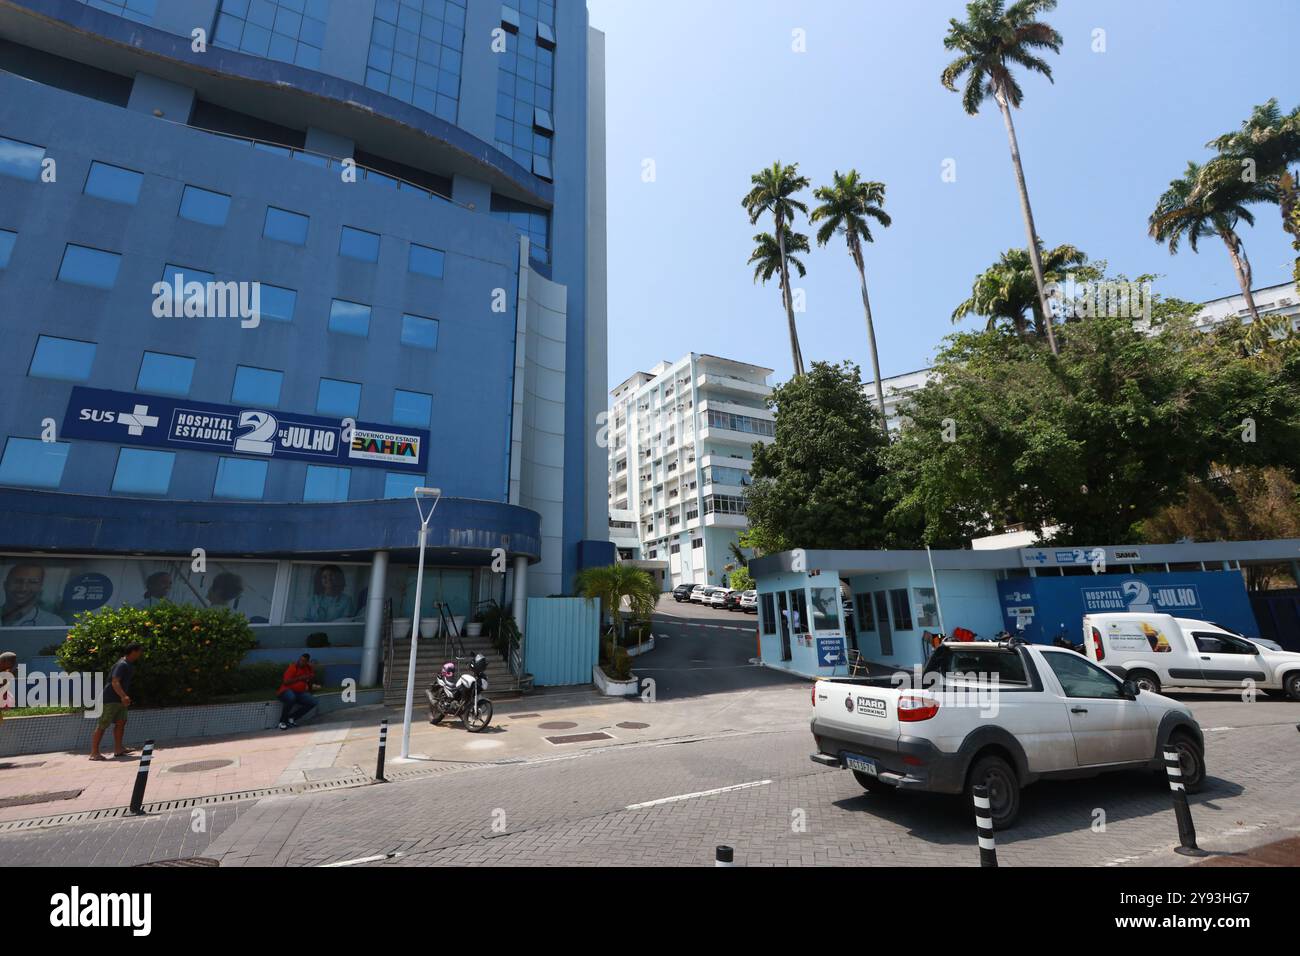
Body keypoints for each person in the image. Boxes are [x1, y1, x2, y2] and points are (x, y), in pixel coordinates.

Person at [90, 643, 143, 761]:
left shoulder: (128, 664)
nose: (140, 654)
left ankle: (119, 749)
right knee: (103, 725)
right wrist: (124, 696)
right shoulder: (122, 665)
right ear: (133, 651)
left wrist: (123, 698)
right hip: (110, 699)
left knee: (121, 722)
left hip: (120, 700)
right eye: (139, 651)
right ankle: (94, 753)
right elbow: (115, 682)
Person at [277, 653, 319, 730]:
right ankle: (282, 721)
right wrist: (300, 678)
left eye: (304, 661)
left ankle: (292, 718)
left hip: (299, 693)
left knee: (313, 702)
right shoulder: (293, 667)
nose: (301, 662)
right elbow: (286, 682)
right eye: (300, 660)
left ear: (307, 662)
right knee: (291, 697)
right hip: (286, 691)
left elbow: (310, 678)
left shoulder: (308, 668)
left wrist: (311, 682)